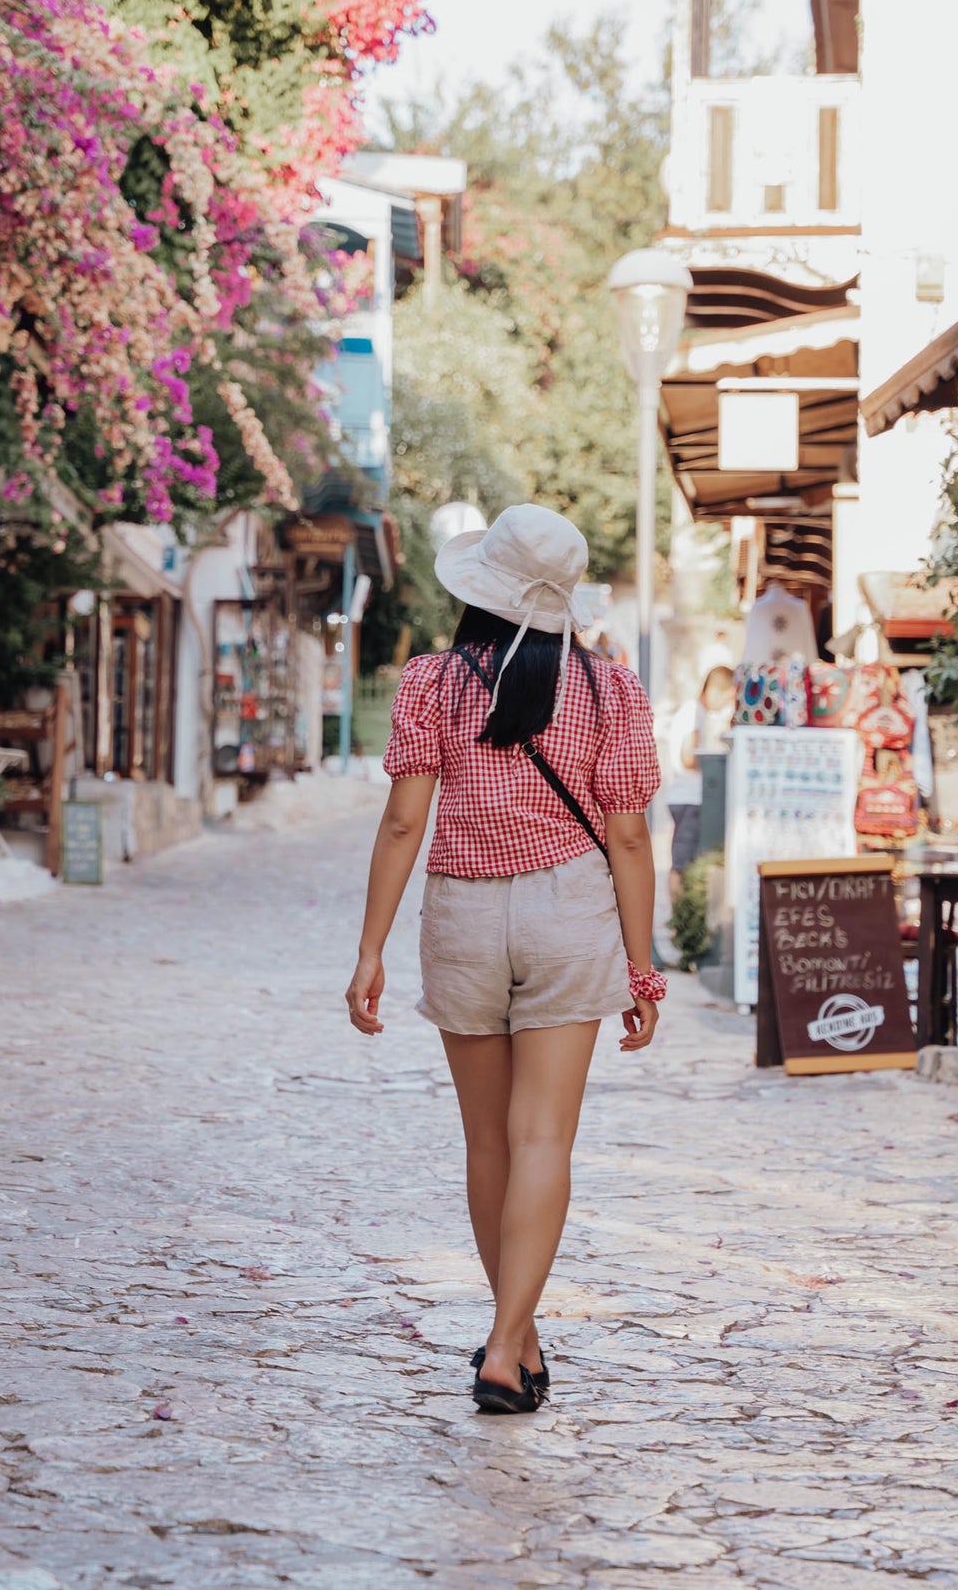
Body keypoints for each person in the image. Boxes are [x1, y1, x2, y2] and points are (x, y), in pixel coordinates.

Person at [344, 503, 664, 1415]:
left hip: (463, 914)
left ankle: (512, 1339)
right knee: (542, 1141)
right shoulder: (611, 690)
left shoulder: (432, 682)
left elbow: (403, 821)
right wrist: (641, 970)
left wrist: (370, 949)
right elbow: (628, 838)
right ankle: (507, 1342)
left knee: (487, 1142)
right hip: (569, 915)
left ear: (478, 590)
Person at [664, 665, 735, 897]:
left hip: (686, 796)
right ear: (715, 690)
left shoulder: (698, 712)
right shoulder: (694, 712)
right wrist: (715, 766)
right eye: (727, 698)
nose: (725, 705)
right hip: (688, 797)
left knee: (685, 861)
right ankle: (679, 916)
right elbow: (688, 756)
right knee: (682, 864)